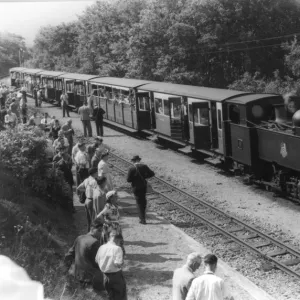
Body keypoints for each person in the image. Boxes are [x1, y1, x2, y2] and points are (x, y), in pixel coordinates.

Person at [64, 219, 104, 292]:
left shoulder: (79, 237)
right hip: (88, 277)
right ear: (92, 229)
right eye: (99, 231)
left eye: (101, 231)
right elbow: (98, 263)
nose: (100, 234)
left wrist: (65, 270)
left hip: (76, 274)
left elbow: (69, 255)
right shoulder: (95, 242)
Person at [95, 230, 127, 300]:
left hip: (102, 276)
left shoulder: (101, 247)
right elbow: (118, 264)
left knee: (107, 296)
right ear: (118, 239)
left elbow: (96, 260)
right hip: (115, 276)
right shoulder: (117, 249)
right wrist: (122, 263)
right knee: (120, 296)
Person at [126, 155, 155, 224]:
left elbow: (128, 180)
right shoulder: (144, 166)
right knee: (143, 201)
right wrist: (145, 177)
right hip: (143, 186)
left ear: (133, 161)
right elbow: (152, 174)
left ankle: (142, 219)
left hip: (136, 187)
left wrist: (135, 179)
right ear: (139, 160)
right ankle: (143, 215)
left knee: (139, 202)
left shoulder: (131, 168)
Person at [76, 167, 99, 232]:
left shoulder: (86, 180)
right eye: (97, 172)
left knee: (88, 220)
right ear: (94, 173)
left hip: (87, 201)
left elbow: (78, 188)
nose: (98, 173)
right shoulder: (95, 181)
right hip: (92, 201)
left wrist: (86, 190)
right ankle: (93, 234)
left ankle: (88, 232)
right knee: (93, 220)